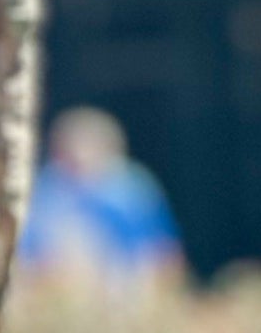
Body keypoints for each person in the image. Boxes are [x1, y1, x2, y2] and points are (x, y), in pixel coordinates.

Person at [18, 105, 186, 292]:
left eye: (88, 148)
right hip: (52, 290)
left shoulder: (131, 191)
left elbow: (163, 254)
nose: (80, 157)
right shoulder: (42, 191)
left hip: (124, 290)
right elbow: (22, 253)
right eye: (70, 151)